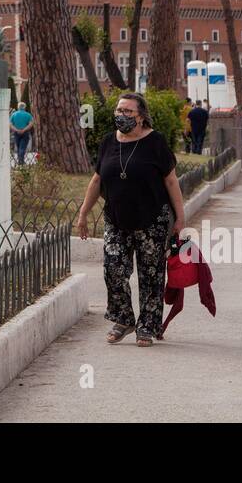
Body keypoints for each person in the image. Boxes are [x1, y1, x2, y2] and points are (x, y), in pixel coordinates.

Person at [74, 93, 187, 347]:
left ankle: (147, 326)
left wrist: (180, 217)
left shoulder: (155, 142)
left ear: (141, 116)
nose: (121, 116)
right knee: (113, 270)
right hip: (116, 219)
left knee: (151, 276)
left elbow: (171, 180)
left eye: (127, 112)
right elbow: (96, 181)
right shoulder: (107, 142)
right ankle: (123, 319)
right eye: (118, 111)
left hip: (152, 220)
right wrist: (83, 213)